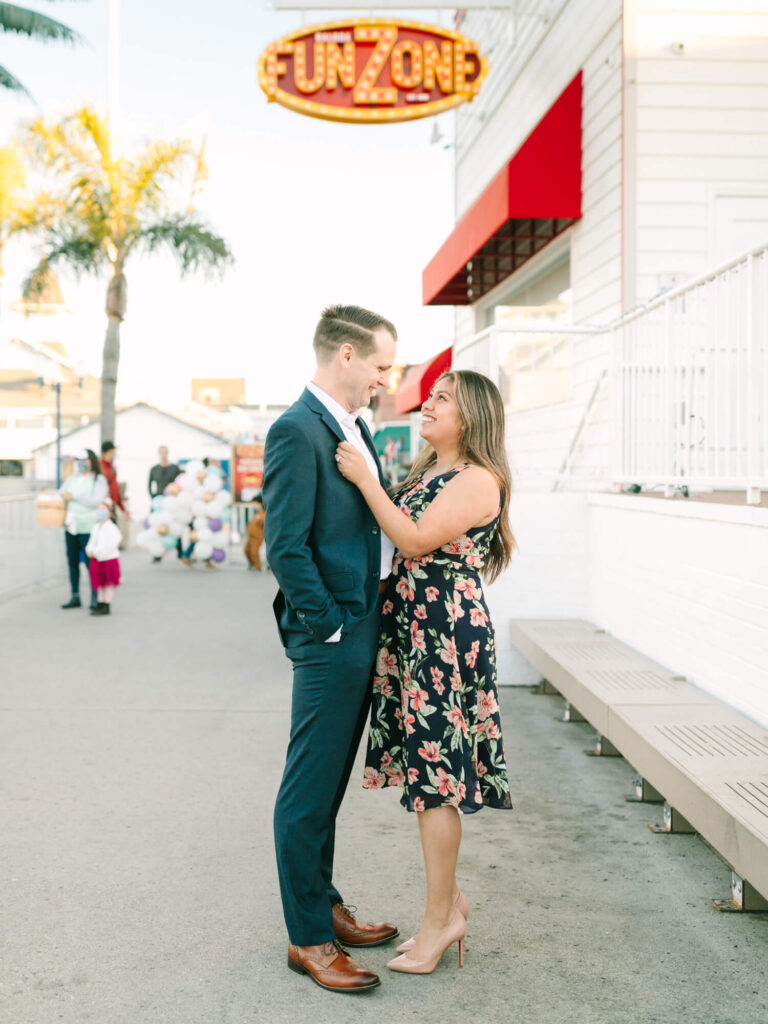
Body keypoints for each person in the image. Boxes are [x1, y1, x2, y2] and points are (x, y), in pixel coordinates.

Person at [335, 369, 515, 976]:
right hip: (416, 634)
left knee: (435, 782)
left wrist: (364, 478)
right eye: (430, 394)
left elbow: (411, 540)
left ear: (473, 416)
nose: (428, 404)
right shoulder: (428, 473)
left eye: (443, 398)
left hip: (445, 638)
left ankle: (440, 921)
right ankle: (446, 908)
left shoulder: (478, 479)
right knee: (424, 780)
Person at [263, 304, 399, 994]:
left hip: (361, 626)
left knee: (332, 783)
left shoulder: (357, 425)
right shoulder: (294, 430)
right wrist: (333, 626)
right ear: (346, 356)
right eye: (380, 365)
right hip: (332, 636)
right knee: (308, 790)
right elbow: (284, 546)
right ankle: (308, 939)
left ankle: (326, 906)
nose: (385, 378)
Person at [59, 448, 108, 610]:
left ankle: (95, 595)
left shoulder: (98, 479)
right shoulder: (73, 478)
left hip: (88, 527)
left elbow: (97, 500)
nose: (81, 464)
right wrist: (69, 495)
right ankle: (75, 595)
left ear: (91, 461)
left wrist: (76, 497)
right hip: (71, 526)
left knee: (90, 563)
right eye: (78, 461)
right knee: (72, 562)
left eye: (84, 461)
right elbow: (62, 492)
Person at [85, 497, 122, 616]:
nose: (100, 512)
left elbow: (111, 544)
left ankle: (107, 604)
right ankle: (100, 602)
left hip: (108, 560)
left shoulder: (112, 528)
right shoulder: (96, 527)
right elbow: (91, 542)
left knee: (108, 584)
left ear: (110, 513)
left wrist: (96, 552)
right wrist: (90, 550)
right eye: (99, 509)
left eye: (103, 509)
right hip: (97, 560)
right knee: (99, 583)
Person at [148, 446, 180, 563]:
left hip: (171, 501)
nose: (163, 455)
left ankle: (180, 551)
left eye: (165, 452)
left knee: (175, 525)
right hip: (158, 502)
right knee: (157, 527)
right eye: (161, 453)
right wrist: (153, 497)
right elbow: (149, 484)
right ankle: (157, 554)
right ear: (158, 454)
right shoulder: (154, 469)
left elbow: (178, 484)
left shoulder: (174, 468)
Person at [100, 441, 129, 548]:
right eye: (112, 451)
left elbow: (115, 490)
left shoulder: (111, 467)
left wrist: (122, 508)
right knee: (107, 536)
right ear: (108, 452)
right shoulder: (100, 467)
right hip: (104, 506)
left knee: (113, 534)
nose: (114, 454)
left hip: (112, 505)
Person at [243, 498, 265, 571]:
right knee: (246, 550)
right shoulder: (257, 513)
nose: (254, 506)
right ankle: (252, 564)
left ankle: (258, 567)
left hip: (257, 537)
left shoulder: (264, 513)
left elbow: (264, 523)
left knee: (254, 552)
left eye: (255, 504)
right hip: (251, 536)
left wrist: (260, 519)